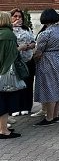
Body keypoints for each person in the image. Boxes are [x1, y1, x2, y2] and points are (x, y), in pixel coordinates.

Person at [32, 9, 59, 126]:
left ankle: (49, 117)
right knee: (58, 86)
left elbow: (39, 51)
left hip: (47, 61)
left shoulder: (45, 33)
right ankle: (56, 115)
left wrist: (33, 58)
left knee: (49, 88)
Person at [0, 11, 22, 139]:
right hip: (5, 71)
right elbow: (13, 54)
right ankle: (3, 130)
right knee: (4, 100)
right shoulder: (9, 35)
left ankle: (2, 127)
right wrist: (21, 48)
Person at [10, 8, 36, 115]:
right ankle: (15, 108)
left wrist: (29, 46)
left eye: (20, 16)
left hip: (28, 59)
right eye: (15, 16)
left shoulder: (27, 29)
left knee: (28, 84)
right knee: (15, 84)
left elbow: (33, 42)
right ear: (11, 18)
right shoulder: (9, 30)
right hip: (15, 61)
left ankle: (26, 106)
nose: (18, 18)